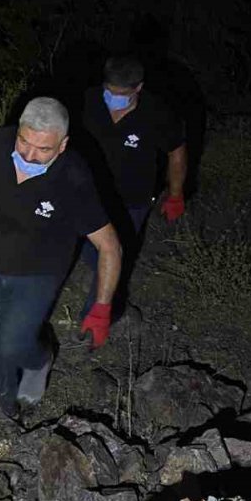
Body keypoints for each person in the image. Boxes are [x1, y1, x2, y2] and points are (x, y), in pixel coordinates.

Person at [0, 97, 122, 419]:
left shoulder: (74, 179)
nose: (28, 155)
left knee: (14, 344)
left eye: (43, 149)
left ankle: (40, 359)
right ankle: (2, 404)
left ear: (62, 145)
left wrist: (102, 307)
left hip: (40, 272)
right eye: (24, 142)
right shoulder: (1, 144)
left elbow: (109, 246)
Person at [80, 52, 187, 315]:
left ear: (138, 88)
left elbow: (176, 151)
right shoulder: (88, 101)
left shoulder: (157, 113)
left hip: (131, 200)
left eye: (122, 95)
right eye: (109, 92)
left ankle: (97, 313)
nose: (113, 100)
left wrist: (175, 194)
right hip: (88, 194)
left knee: (114, 253)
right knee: (91, 252)